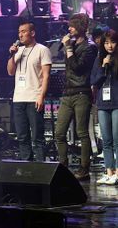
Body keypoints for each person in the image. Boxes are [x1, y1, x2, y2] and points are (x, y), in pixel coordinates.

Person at [55, 13, 98, 180]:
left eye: (72, 25)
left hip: (82, 93)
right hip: (67, 93)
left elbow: (78, 68)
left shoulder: (90, 47)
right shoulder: (71, 44)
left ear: (80, 27)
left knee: (82, 132)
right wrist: (67, 47)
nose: (69, 28)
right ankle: (63, 166)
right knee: (59, 133)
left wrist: (69, 49)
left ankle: (84, 168)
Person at [7, 21, 51, 162]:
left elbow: (46, 75)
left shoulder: (42, 50)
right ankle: (27, 167)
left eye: (24, 31)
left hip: (34, 97)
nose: (20, 34)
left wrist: (41, 96)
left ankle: (41, 169)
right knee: (22, 136)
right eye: (19, 31)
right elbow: (10, 71)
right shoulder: (18, 51)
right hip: (19, 98)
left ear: (32, 33)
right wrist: (12, 55)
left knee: (37, 137)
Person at [91, 29, 118, 185]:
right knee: (106, 140)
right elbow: (94, 80)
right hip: (102, 104)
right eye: (107, 43)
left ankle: (117, 172)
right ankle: (109, 171)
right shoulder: (99, 58)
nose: (110, 46)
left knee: (116, 139)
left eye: (113, 42)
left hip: (116, 103)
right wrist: (102, 66)